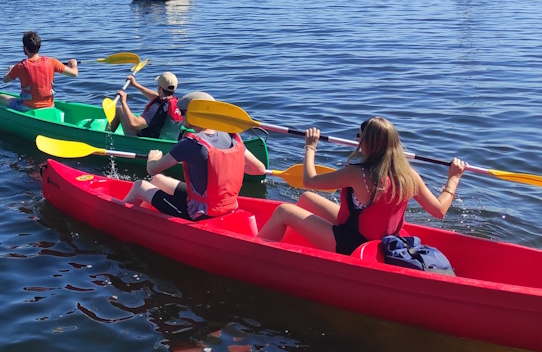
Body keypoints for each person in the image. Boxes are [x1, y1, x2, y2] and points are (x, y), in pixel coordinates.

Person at [257, 116, 467, 254]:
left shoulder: (357, 174)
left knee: (284, 211)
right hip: (383, 240)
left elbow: (309, 180)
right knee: (306, 199)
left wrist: (310, 147)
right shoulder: (409, 175)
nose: (357, 140)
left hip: (353, 244)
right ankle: (292, 248)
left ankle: (256, 251)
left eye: (360, 136)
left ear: (367, 143)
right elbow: (439, 210)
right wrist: (454, 178)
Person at [123, 92, 267, 220]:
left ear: (194, 114)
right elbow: (259, 169)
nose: (180, 116)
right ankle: (148, 215)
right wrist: (222, 167)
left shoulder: (190, 143)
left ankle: (121, 218)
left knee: (139, 185)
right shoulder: (233, 137)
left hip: (198, 212)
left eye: (183, 112)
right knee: (158, 180)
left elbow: (153, 170)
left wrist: (153, 159)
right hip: (227, 205)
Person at [0, 31, 77, 110]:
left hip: (27, 108)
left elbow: (5, 80)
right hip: (49, 106)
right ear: (39, 46)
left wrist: (10, 70)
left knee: (1, 97)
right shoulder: (52, 62)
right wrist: (73, 64)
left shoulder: (20, 66)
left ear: (25, 48)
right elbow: (74, 73)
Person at [110, 71, 182, 139]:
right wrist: (136, 85)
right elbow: (156, 97)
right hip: (162, 139)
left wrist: (123, 102)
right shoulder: (177, 103)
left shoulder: (156, 108)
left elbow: (134, 124)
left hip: (142, 140)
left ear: (159, 87)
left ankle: (107, 135)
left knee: (120, 109)